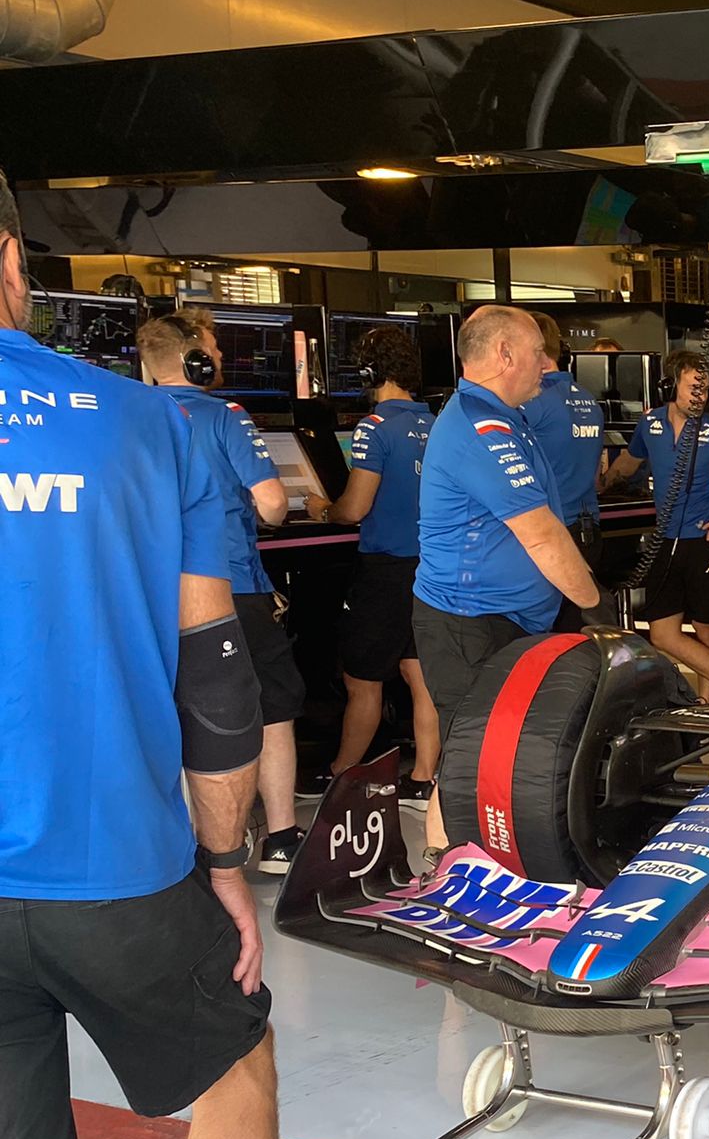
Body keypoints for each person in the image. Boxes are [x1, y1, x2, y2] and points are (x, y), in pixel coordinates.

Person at [0, 170, 326, 1139]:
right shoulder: (148, 424)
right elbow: (214, 674)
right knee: (238, 1067)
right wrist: (224, 863)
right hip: (118, 863)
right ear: (12, 266)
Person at [414, 306, 602, 858]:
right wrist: (596, 607)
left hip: (512, 621)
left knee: (494, 755)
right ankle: (446, 878)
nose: (547, 364)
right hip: (468, 622)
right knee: (466, 761)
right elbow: (541, 533)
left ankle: (474, 871)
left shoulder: (509, 417)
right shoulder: (479, 426)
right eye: (536, 353)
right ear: (504, 355)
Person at [137, 311, 307, 875]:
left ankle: (185, 846)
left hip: (154, 594)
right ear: (197, 360)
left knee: (175, 711)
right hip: (233, 586)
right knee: (271, 709)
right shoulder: (225, 415)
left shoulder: (131, 415)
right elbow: (274, 503)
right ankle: (280, 838)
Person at [301, 325, 438, 804]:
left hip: (384, 570)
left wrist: (323, 508)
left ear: (368, 372)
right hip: (430, 568)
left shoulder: (374, 428)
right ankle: (422, 777)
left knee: (362, 680)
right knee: (420, 676)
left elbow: (354, 509)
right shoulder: (436, 424)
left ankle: (342, 773)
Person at [596, 347, 709, 704]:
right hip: (664, 540)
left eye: (705, 389)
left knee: (706, 629)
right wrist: (601, 485)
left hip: (705, 540)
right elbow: (629, 463)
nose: (700, 396)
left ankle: (708, 706)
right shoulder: (649, 424)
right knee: (663, 634)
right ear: (671, 386)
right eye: (692, 388)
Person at [522, 310, 608, 629]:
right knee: (579, 632)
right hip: (589, 529)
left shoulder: (533, 401)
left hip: (553, 534)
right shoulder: (588, 400)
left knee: (551, 639)